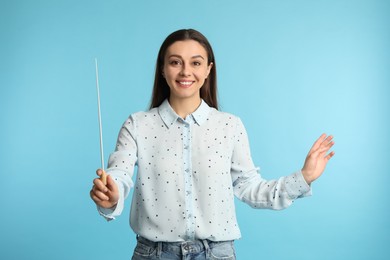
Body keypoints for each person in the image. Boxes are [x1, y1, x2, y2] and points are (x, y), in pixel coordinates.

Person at [90, 29, 335, 260]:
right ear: (163, 69)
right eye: (175, 62)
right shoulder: (137, 125)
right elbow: (119, 175)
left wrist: (303, 178)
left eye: (195, 63)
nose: (186, 71)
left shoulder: (230, 126)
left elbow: (249, 188)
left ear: (208, 69)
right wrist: (111, 197)